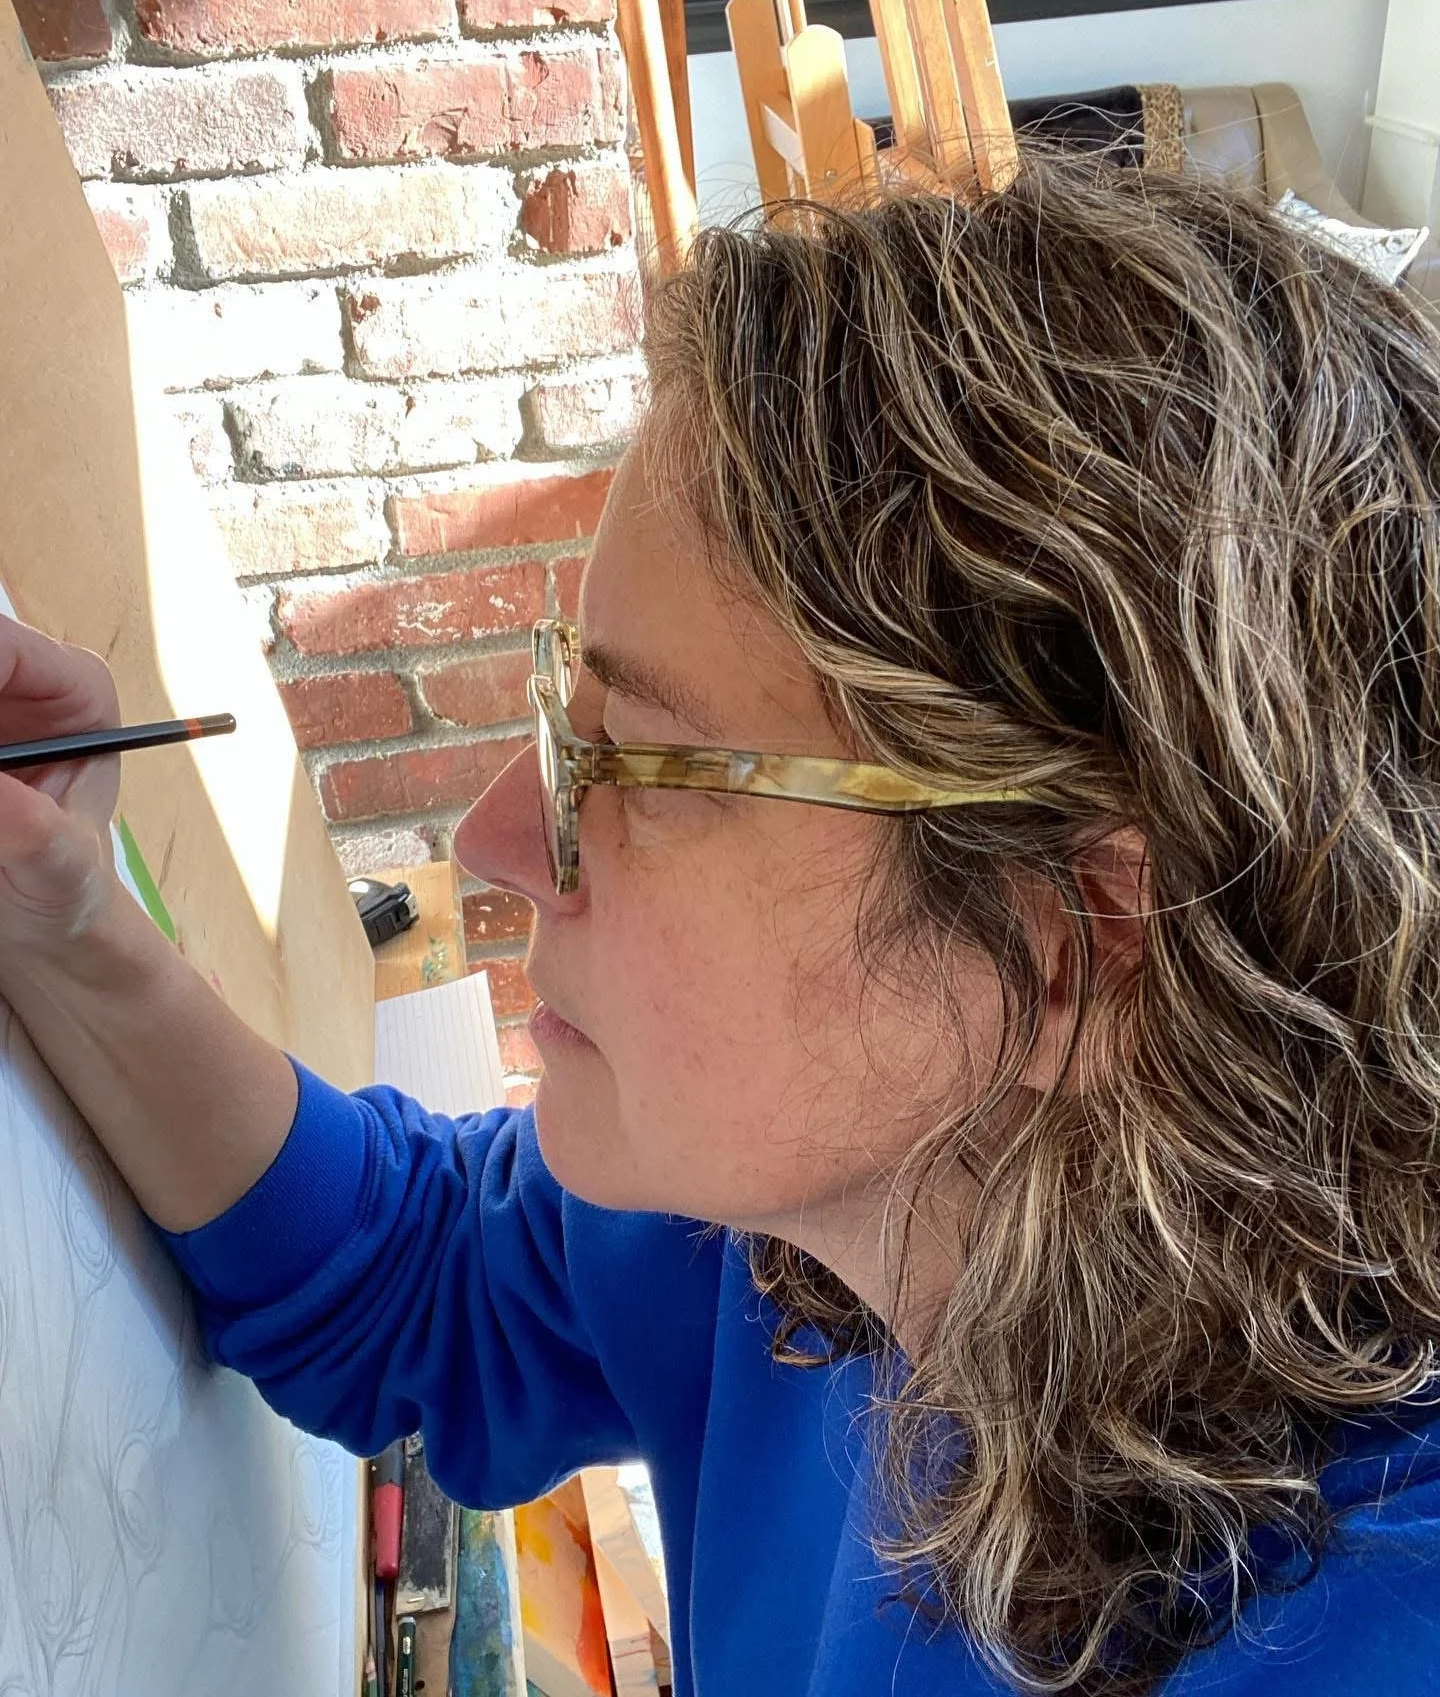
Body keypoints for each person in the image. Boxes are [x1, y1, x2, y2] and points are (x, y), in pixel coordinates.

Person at [3, 150, 1440, 1697]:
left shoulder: (1348, 1636)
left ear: (1069, 943)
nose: (496, 839)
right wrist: (64, 911)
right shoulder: (824, 1213)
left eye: (636, 764)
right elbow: (414, 1279)